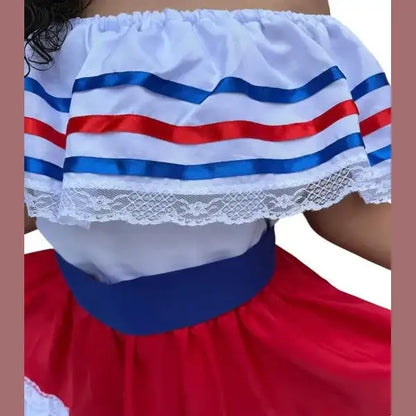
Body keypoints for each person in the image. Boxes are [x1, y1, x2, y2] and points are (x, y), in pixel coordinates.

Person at [24, 0, 391, 415]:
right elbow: (37, 195)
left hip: (240, 352)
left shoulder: (275, 16)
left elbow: (348, 209)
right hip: (66, 333)